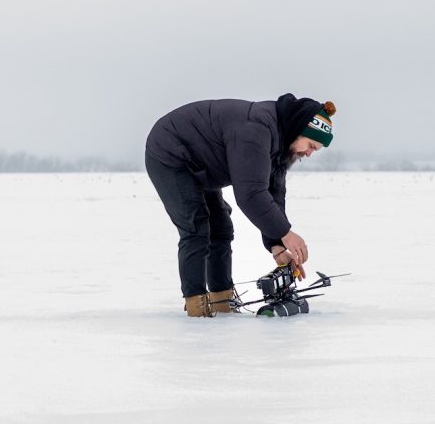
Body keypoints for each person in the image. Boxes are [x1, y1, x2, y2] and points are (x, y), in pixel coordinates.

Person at [144, 93, 336, 317]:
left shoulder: (281, 143)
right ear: (298, 129)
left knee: (221, 228)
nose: (309, 153)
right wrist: (286, 233)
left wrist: (277, 245)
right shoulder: (256, 130)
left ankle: (221, 299)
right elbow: (251, 194)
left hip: (202, 164)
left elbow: (273, 194)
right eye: (311, 145)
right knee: (196, 226)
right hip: (170, 153)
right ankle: (196, 304)